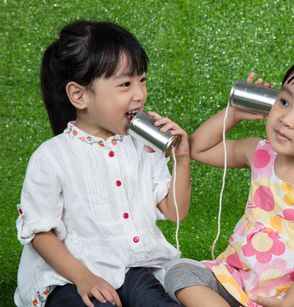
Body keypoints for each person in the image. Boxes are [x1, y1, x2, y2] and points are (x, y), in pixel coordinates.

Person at [164, 55, 294, 307]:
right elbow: (199, 149)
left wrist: (288, 303)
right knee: (179, 272)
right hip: (245, 276)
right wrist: (233, 113)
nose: (286, 118)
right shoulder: (258, 152)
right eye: (284, 101)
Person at [14, 20, 191, 307]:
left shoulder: (144, 147)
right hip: (70, 276)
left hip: (133, 268)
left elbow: (176, 212)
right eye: (125, 84)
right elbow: (40, 232)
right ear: (79, 95)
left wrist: (182, 159)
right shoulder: (51, 156)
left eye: (142, 80)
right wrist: (84, 277)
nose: (140, 94)